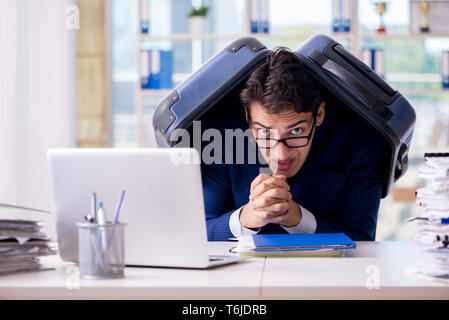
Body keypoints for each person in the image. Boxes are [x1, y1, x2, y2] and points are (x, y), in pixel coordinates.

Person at [201, 47, 385, 241]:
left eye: (296, 131)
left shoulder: (360, 142)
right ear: (248, 118)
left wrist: (299, 220)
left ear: (319, 115)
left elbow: (362, 240)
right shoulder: (221, 139)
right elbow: (199, 232)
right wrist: (245, 218)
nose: (280, 154)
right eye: (264, 132)